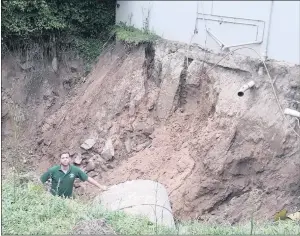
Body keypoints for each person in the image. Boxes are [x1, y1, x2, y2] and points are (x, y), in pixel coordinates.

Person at [40, 152, 108, 198]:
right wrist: (43, 194)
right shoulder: (53, 170)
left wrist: (101, 186)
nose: (65, 159)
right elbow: (40, 181)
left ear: (69, 159)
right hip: (54, 199)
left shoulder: (75, 170)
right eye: (63, 158)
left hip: (68, 200)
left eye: (66, 158)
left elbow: (87, 178)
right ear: (60, 160)